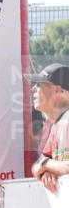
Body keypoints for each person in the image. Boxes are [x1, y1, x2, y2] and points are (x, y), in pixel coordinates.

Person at [27, 63, 69, 193]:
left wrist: (46, 165)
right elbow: (36, 166)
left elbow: (42, 163)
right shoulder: (58, 124)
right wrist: (46, 173)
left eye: (39, 84)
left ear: (58, 90)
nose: (33, 88)